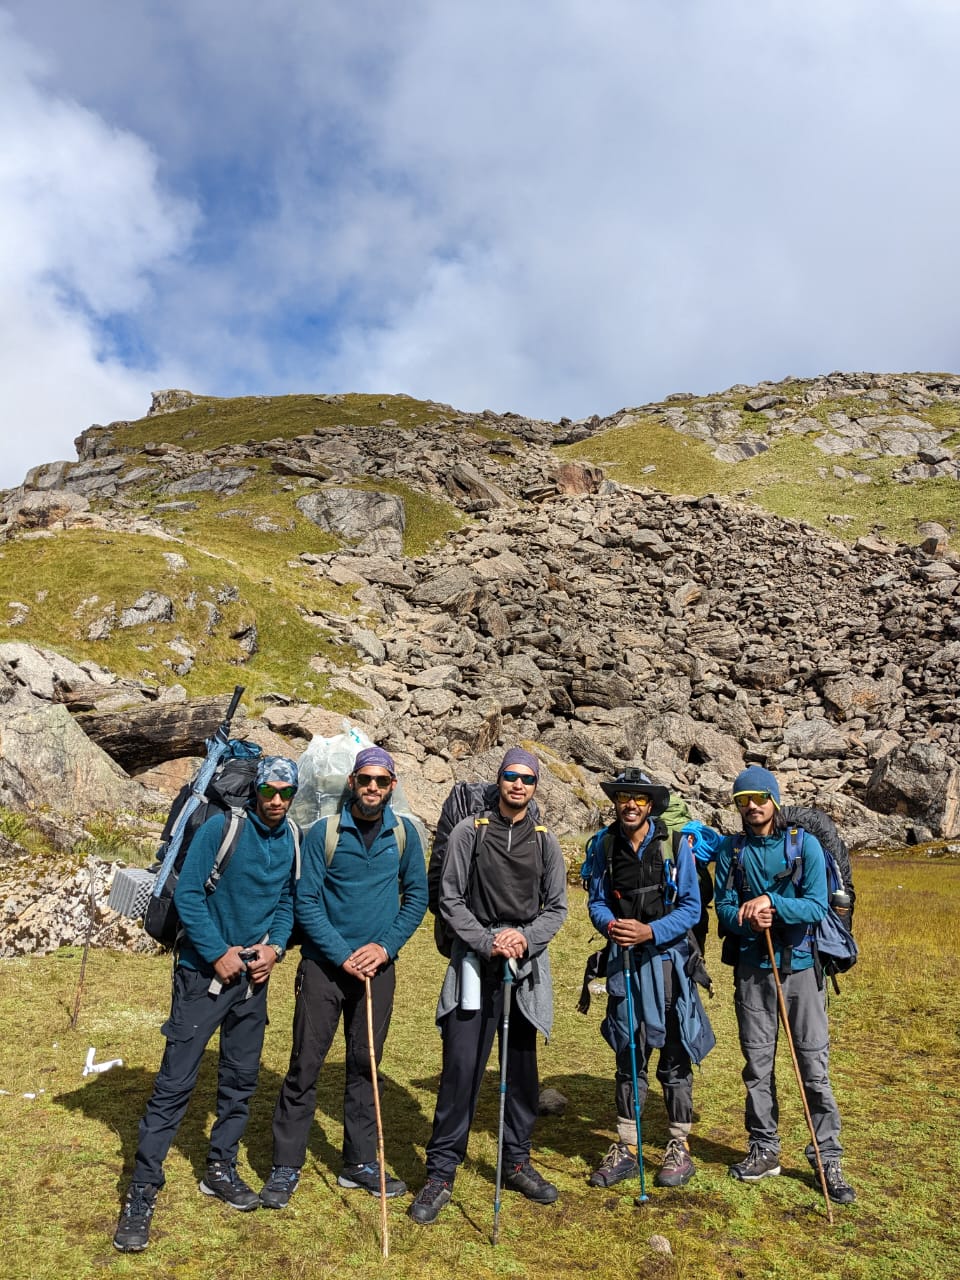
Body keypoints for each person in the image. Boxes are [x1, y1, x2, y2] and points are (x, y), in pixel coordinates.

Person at [114, 756, 301, 1253]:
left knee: (241, 1080)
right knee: (175, 1083)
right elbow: (190, 897)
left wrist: (274, 948)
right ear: (256, 790)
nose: (277, 800)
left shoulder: (293, 839)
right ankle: (141, 1191)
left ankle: (220, 1168)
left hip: (252, 981)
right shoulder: (222, 827)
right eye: (269, 791)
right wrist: (217, 952)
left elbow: (286, 902)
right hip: (202, 974)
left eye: (286, 792)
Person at [260, 746, 427, 1208]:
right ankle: (286, 1165)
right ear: (352, 782)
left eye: (382, 781)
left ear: (392, 786)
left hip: (378, 968)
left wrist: (384, 948)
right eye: (365, 779)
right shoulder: (323, 834)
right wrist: (341, 954)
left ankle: (359, 1163)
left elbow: (416, 899)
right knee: (304, 1065)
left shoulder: (406, 836)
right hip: (323, 969)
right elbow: (306, 901)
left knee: (365, 1066)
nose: (372, 787)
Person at [408, 748, 568, 1225]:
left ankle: (516, 1160)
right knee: (460, 1067)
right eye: (510, 776)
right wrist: (484, 939)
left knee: (522, 1070)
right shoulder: (467, 833)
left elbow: (556, 908)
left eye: (527, 779)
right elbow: (449, 896)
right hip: (474, 963)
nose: (518, 785)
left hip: (524, 965)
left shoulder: (546, 842)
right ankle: (440, 1172)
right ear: (498, 780)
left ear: (536, 787)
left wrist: (523, 938)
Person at [714, 765, 856, 1204]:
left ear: (774, 800)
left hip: (799, 971)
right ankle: (764, 1149)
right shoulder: (731, 851)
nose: (752, 806)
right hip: (753, 971)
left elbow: (816, 907)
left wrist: (771, 903)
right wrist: (744, 916)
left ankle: (826, 1156)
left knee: (813, 1067)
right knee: (757, 1066)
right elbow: (721, 907)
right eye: (744, 800)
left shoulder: (805, 846)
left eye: (760, 797)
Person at [584, 768, 714, 1192]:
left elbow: (691, 907)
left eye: (639, 798)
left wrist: (650, 932)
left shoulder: (677, 847)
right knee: (629, 1050)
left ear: (651, 804)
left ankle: (679, 1146)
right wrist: (611, 926)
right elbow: (598, 900)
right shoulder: (605, 845)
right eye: (624, 797)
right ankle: (626, 1145)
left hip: (670, 964)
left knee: (674, 1054)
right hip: (625, 963)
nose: (631, 805)